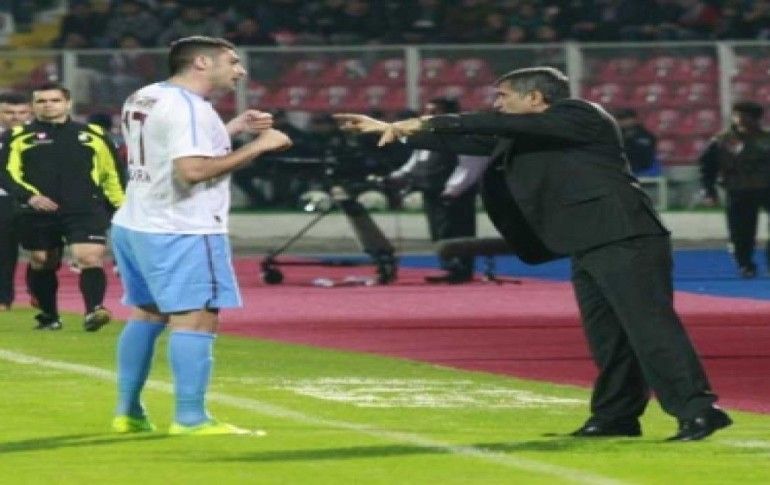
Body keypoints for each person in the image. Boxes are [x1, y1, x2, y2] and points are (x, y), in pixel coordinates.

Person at [334, 66, 732, 441]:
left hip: (624, 236)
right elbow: (468, 139)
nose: (498, 105)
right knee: (608, 337)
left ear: (536, 98)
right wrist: (394, 131)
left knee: (649, 327)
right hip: (588, 241)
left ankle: (698, 409)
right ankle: (616, 416)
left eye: (504, 97)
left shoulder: (580, 115)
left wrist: (422, 121)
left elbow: (491, 124)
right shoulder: (529, 132)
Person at [110, 36, 292, 436]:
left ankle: (128, 412)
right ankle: (191, 418)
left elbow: (168, 147)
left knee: (147, 313)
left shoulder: (147, 95)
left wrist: (234, 128)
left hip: (136, 221)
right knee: (196, 319)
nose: (240, 70)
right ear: (202, 63)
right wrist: (261, 145)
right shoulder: (190, 108)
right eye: (233, 61)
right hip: (182, 227)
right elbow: (192, 171)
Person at [0, 84, 124, 331]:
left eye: (54, 100)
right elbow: (6, 173)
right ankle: (49, 315)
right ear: (34, 106)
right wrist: (30, 197)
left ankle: (94, 310)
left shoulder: (94, 134)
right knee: (42, 260)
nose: (48, 105)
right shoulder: (16, 136)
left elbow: (112, 173)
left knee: (89, 257)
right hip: (37, 210)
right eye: (42, 101)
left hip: (84, 208)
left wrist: (121, 206)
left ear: (68, 103)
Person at [388, 97, 479, 283]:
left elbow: (469, 166)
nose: (428, 115)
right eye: (427, 111)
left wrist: (453, 189)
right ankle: (448, 267)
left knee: (458, 231)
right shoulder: (426, 135)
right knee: (438, 231)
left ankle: (461, 270)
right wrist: (398, 176)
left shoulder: (461, 136)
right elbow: (416, 161)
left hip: (454, 193)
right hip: (431, 189)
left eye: (434, 112)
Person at [698, 101, 770, 278]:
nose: (740, 120)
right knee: (741, 232)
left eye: (745, 116)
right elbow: (707, 167)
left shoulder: (766, 139)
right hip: (738, 189)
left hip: (766, 188)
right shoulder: (722, 141)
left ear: (756, 119)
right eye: (738, 115)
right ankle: (745, 264)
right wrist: (709, 190)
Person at [0, 92, 33, 311]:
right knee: (4, 252)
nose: (15, 117)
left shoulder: (38, 136)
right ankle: (4, 299)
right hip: (3, 199)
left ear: (29, 112)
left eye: (21, 112)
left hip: (37, 200)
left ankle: (38, 290)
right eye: (9, 112)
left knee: (44, 253)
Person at [615, 108, 657, 175]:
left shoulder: (645, 135)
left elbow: (646, 154)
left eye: (626, 118)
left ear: (634, 119)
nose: (623, 122)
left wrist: (630, 141)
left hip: (643, 169)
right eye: (620, 119)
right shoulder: (614, 134)